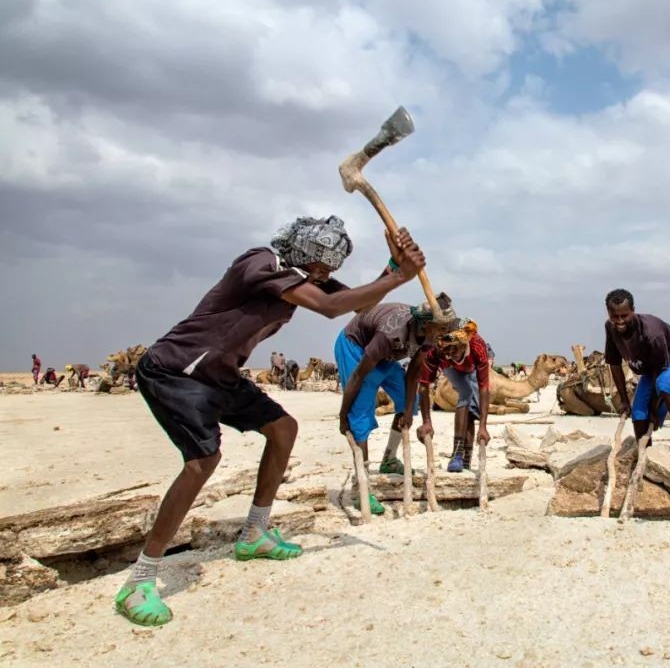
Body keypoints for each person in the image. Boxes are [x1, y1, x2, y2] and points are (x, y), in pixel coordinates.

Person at [114, 216, 426, 627]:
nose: (325, 276)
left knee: (283, 428)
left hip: (220, 375)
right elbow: (331, 308)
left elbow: (358, 302)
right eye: (322, 268)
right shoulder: (261, 263)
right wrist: (401, 276)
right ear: (305, 255)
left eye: (329, 271)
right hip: (177, 370)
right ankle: (139, 580)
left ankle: (254, 534)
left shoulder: (301, 276)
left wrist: (393, 267)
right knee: (202, 462)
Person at [336, 293, 457, 514]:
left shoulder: (429, 336)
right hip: (356, 348)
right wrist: (344, 414)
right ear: (426, 323)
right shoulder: (391, 333)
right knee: (360, 416)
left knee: (411, 401)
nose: (444, 332)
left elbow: (414, 372)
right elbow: (357, 376)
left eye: (446, 326)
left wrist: (408, 409)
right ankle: (361, 489)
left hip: (385, 357)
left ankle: (389, 459)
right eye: (440, 327)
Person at [602, 289, 670, 470]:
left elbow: (660, 370)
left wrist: (655, 407)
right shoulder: (611, 328)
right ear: (609, 313)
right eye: (615, 316)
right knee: (638, 413)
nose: (620, 321)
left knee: (662, 385)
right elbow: (615, 365)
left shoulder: (650, 332)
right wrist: (624, 400)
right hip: (649, 372)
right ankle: (645, 456)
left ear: (633, 310)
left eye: (624, 315)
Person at [415, 319, 491, 473]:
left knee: (473, 410)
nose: (450, 354)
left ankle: (466, 459)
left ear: (464, 344)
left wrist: (483, 426)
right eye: (447, 351)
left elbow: (484, 387)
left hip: (472, 368)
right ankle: (456, 454)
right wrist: (426, 421)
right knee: (466, 393)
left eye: (454, 350)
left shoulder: (478, 347)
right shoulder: (437, 352)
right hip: (450, 369)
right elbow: (423, 386)